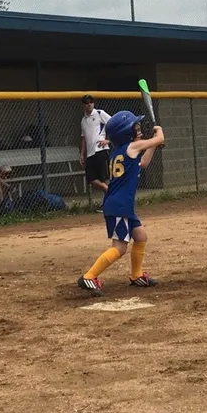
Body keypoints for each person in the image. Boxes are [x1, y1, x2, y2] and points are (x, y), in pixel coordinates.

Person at [77, 111, 164, 296]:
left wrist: (154, 145)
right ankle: (89, 276)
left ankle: (136, 275)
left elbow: (144, 163)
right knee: (119, 248)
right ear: (126, 134)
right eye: (136, 129)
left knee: (140, 236)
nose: (139, 131)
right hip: (119, 206)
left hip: (122, 205)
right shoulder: (132, 146)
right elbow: (159, 138)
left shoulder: (120, 151)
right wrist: (159, 133)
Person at [79, 95, 111, 197]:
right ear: (83, 105)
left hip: (100, 150)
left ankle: (108, 200)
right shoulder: (83, 120)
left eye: (91, 102)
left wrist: (108, 140)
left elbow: (114, 124)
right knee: (91, 178)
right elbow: (83, 138)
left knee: (105, 177)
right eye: (87, 103)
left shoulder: (99, 113)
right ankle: (108, 192)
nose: (89, 105)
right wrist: (82, 154)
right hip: (90, 153)